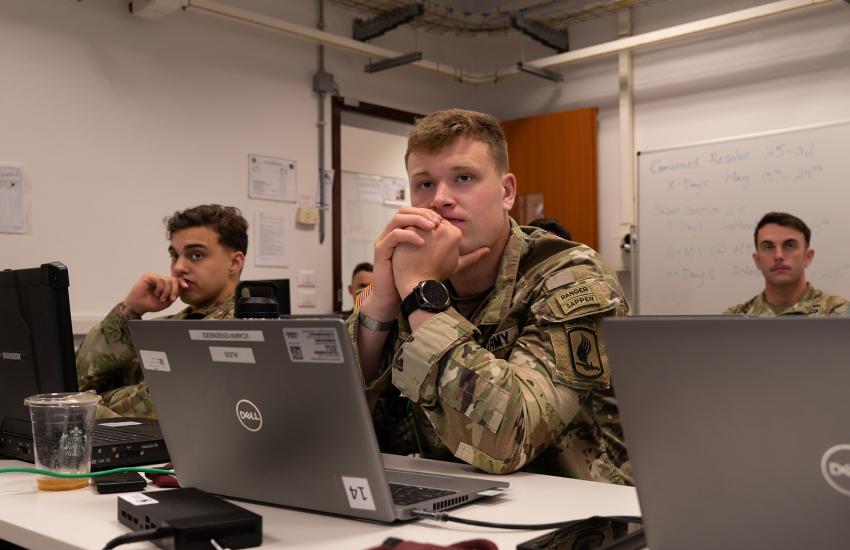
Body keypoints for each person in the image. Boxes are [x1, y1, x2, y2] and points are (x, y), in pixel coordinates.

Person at [349, 109, 631, 484]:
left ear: (507, 191)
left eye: (463, 178)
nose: (440, 200)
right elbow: (329, 424)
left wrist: (420, 293)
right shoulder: (411, 276)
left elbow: (510, 439)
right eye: (425, 184)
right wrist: (381, 305)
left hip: (568, 524)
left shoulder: (572, 276)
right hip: (449, 506)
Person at [76, 204, 248, 418]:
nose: (178, 268)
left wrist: (79, 406)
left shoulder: (243, 327)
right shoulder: (168, 324)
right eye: (175, 255)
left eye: (196, 255)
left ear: (234, 262)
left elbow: (168, 405)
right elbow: (78, 378)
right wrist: (129, 310)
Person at [725, 211, 848, 316]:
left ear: (807, 257)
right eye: (768, 247)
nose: (779, 256)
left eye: (789, 245)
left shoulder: (840, 313)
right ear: (757, 260)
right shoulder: (734, 319)